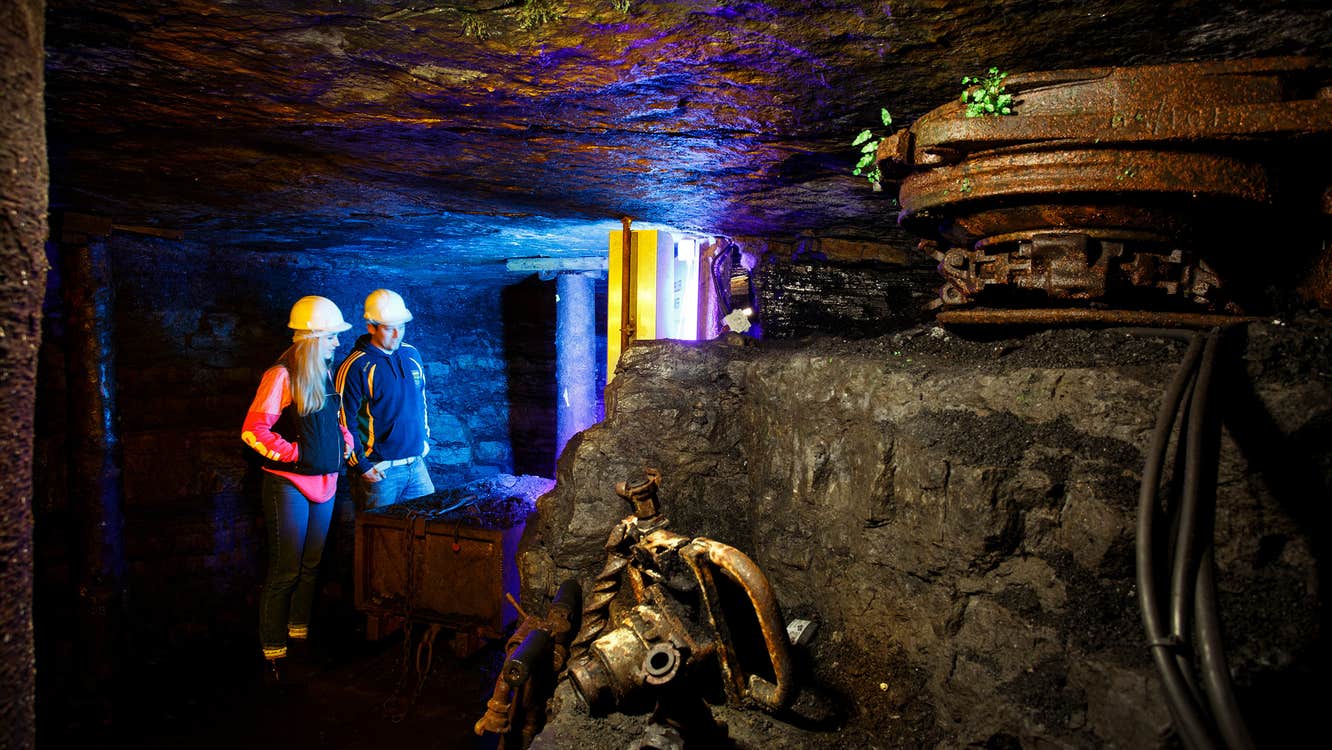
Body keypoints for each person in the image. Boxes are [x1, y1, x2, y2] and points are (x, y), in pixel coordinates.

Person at [241, 295, 353, 682]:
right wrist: (293, 454)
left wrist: (344, 440)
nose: (338, 343)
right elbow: (253, 430)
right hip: (289, 484)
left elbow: (330, 421)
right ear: (313, 337)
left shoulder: (322, 371)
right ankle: (273, 650)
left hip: (325, 481)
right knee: (286, 569)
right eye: (332, 337)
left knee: (310, 565)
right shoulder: (281, 375)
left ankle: (298, 635)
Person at [335, 288, 434, 510]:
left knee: (429, 529)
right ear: (371, 327)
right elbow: (342, 419)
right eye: (390, 329)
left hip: (416, 465)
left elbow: (421, 400)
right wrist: (360, 465)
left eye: (402, 327)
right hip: (379, 470)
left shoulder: (412, 355)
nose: (398, 335)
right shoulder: (355, 366)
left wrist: (424, 441)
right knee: (379, 539)